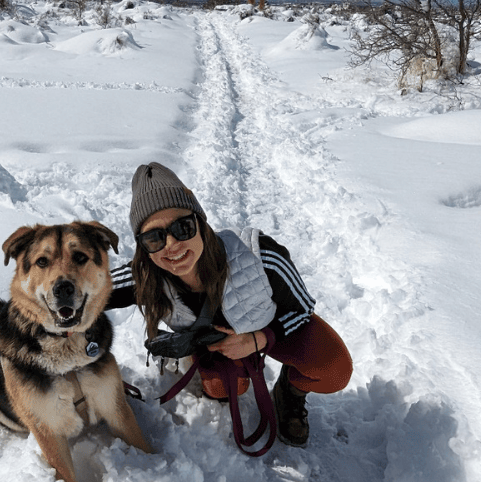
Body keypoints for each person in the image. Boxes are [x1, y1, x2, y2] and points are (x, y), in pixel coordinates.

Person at [107, 161, 353, 447]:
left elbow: (301, 310)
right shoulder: (145, 275)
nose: (171, 244)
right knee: (222, 388)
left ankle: (290, 393)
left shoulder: (261, 255)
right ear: (143, 246)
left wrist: (259, 339)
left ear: (200, 222)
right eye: (154, 238)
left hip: (270, 327)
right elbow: (87, 293)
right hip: (218, 349)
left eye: (183, 227)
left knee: (333, 369)